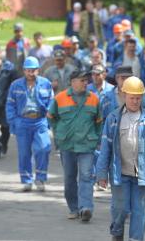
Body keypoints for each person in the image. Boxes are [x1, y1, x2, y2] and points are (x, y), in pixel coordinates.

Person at [96, 76, 145, 241]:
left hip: (142, 174)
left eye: (138, 97)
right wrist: (101, 174)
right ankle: (117, 232)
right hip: (119, 173)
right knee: (120, 209)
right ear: (124, 95)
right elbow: (105, 147)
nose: (135, 101)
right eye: (132, 97)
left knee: (140, 211)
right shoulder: (113, 118)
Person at [48, 70, 102, 222]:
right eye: (82, 80)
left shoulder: (93, 99)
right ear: (72, 82)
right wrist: (60, 132)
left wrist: (96, 139)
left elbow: (99, 121)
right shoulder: (60, 98)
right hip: (67, 145)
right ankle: (74, 208)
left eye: (87, 80)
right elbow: (51, 117)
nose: (86, 83)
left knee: (86, 176)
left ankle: (86, 208)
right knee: (69, 178)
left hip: (87, 145)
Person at [6, 56, 54, 192]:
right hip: (22, 121)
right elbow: (10, 104)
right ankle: (27, 180)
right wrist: (13, 121)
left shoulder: (46, 84)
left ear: (38, 70)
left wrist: (49, 117)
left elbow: (51, 102)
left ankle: (40, 178)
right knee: (24, 152)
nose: (30, 73)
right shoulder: (15, 85)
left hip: (40, 121)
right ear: (23, 70)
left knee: (44, 148)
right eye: (28, 70)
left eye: (33, 70)